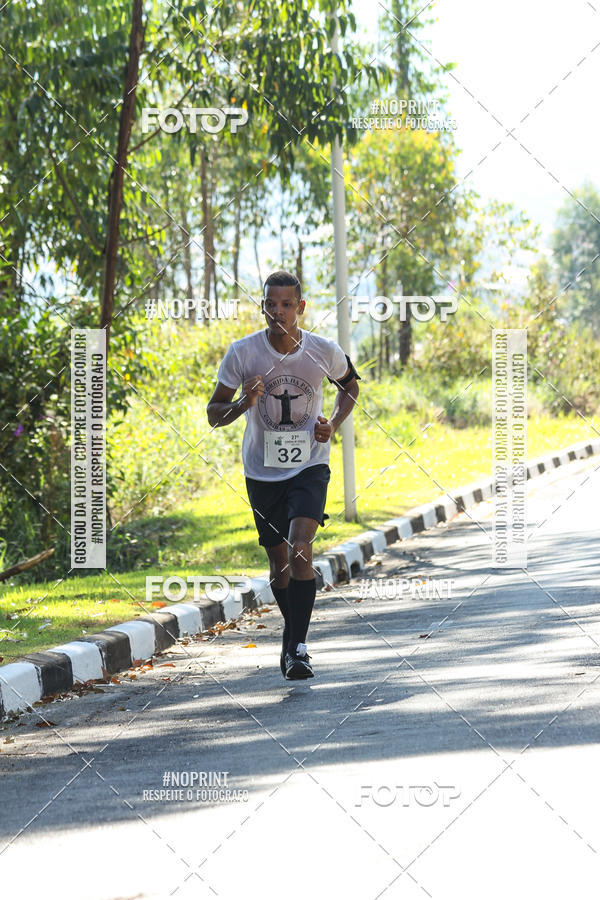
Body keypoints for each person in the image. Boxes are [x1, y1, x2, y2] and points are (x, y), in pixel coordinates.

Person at [206, 270, 360, 679]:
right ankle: (292, 639)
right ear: (263, 306)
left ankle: (297, 647)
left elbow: (350, 387)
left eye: (287, 305)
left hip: (310, 464)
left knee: (300, 548)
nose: (278, 312)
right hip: (263, 472)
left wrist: (335, 424)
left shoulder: (323, 350)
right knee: (278, 563)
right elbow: (213, 414)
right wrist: (244, 402)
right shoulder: (242, 353)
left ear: (301, 307)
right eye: (271, 305)